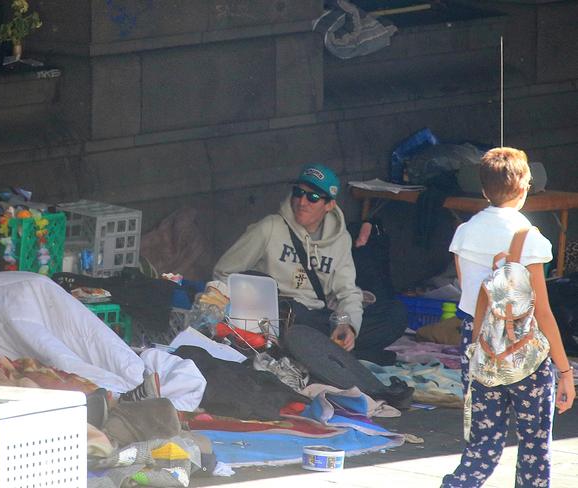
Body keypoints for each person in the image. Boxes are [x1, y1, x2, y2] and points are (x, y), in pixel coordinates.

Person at [442, 147, 575, 487]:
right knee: (533, 445)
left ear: (483, 189)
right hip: (524, 347)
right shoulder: (530, 238)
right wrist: (564, 370)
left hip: (478, 343)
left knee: (481, 447)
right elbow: (542, 312)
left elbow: (469, 297)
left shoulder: (464, 233)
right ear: (525, 187)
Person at [213, 163, 405, 364]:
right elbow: (224, 272)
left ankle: (332, 349)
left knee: (394, 315)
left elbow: (347, 292)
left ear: (329, 205)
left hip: (320, 318)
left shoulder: (341, 239)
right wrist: (251, 304)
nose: (302, 202)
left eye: (312, 197)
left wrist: (347, 326)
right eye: (298, 193)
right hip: (281, 316)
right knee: (296, 315)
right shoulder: (268, 228)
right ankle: (337, 354)